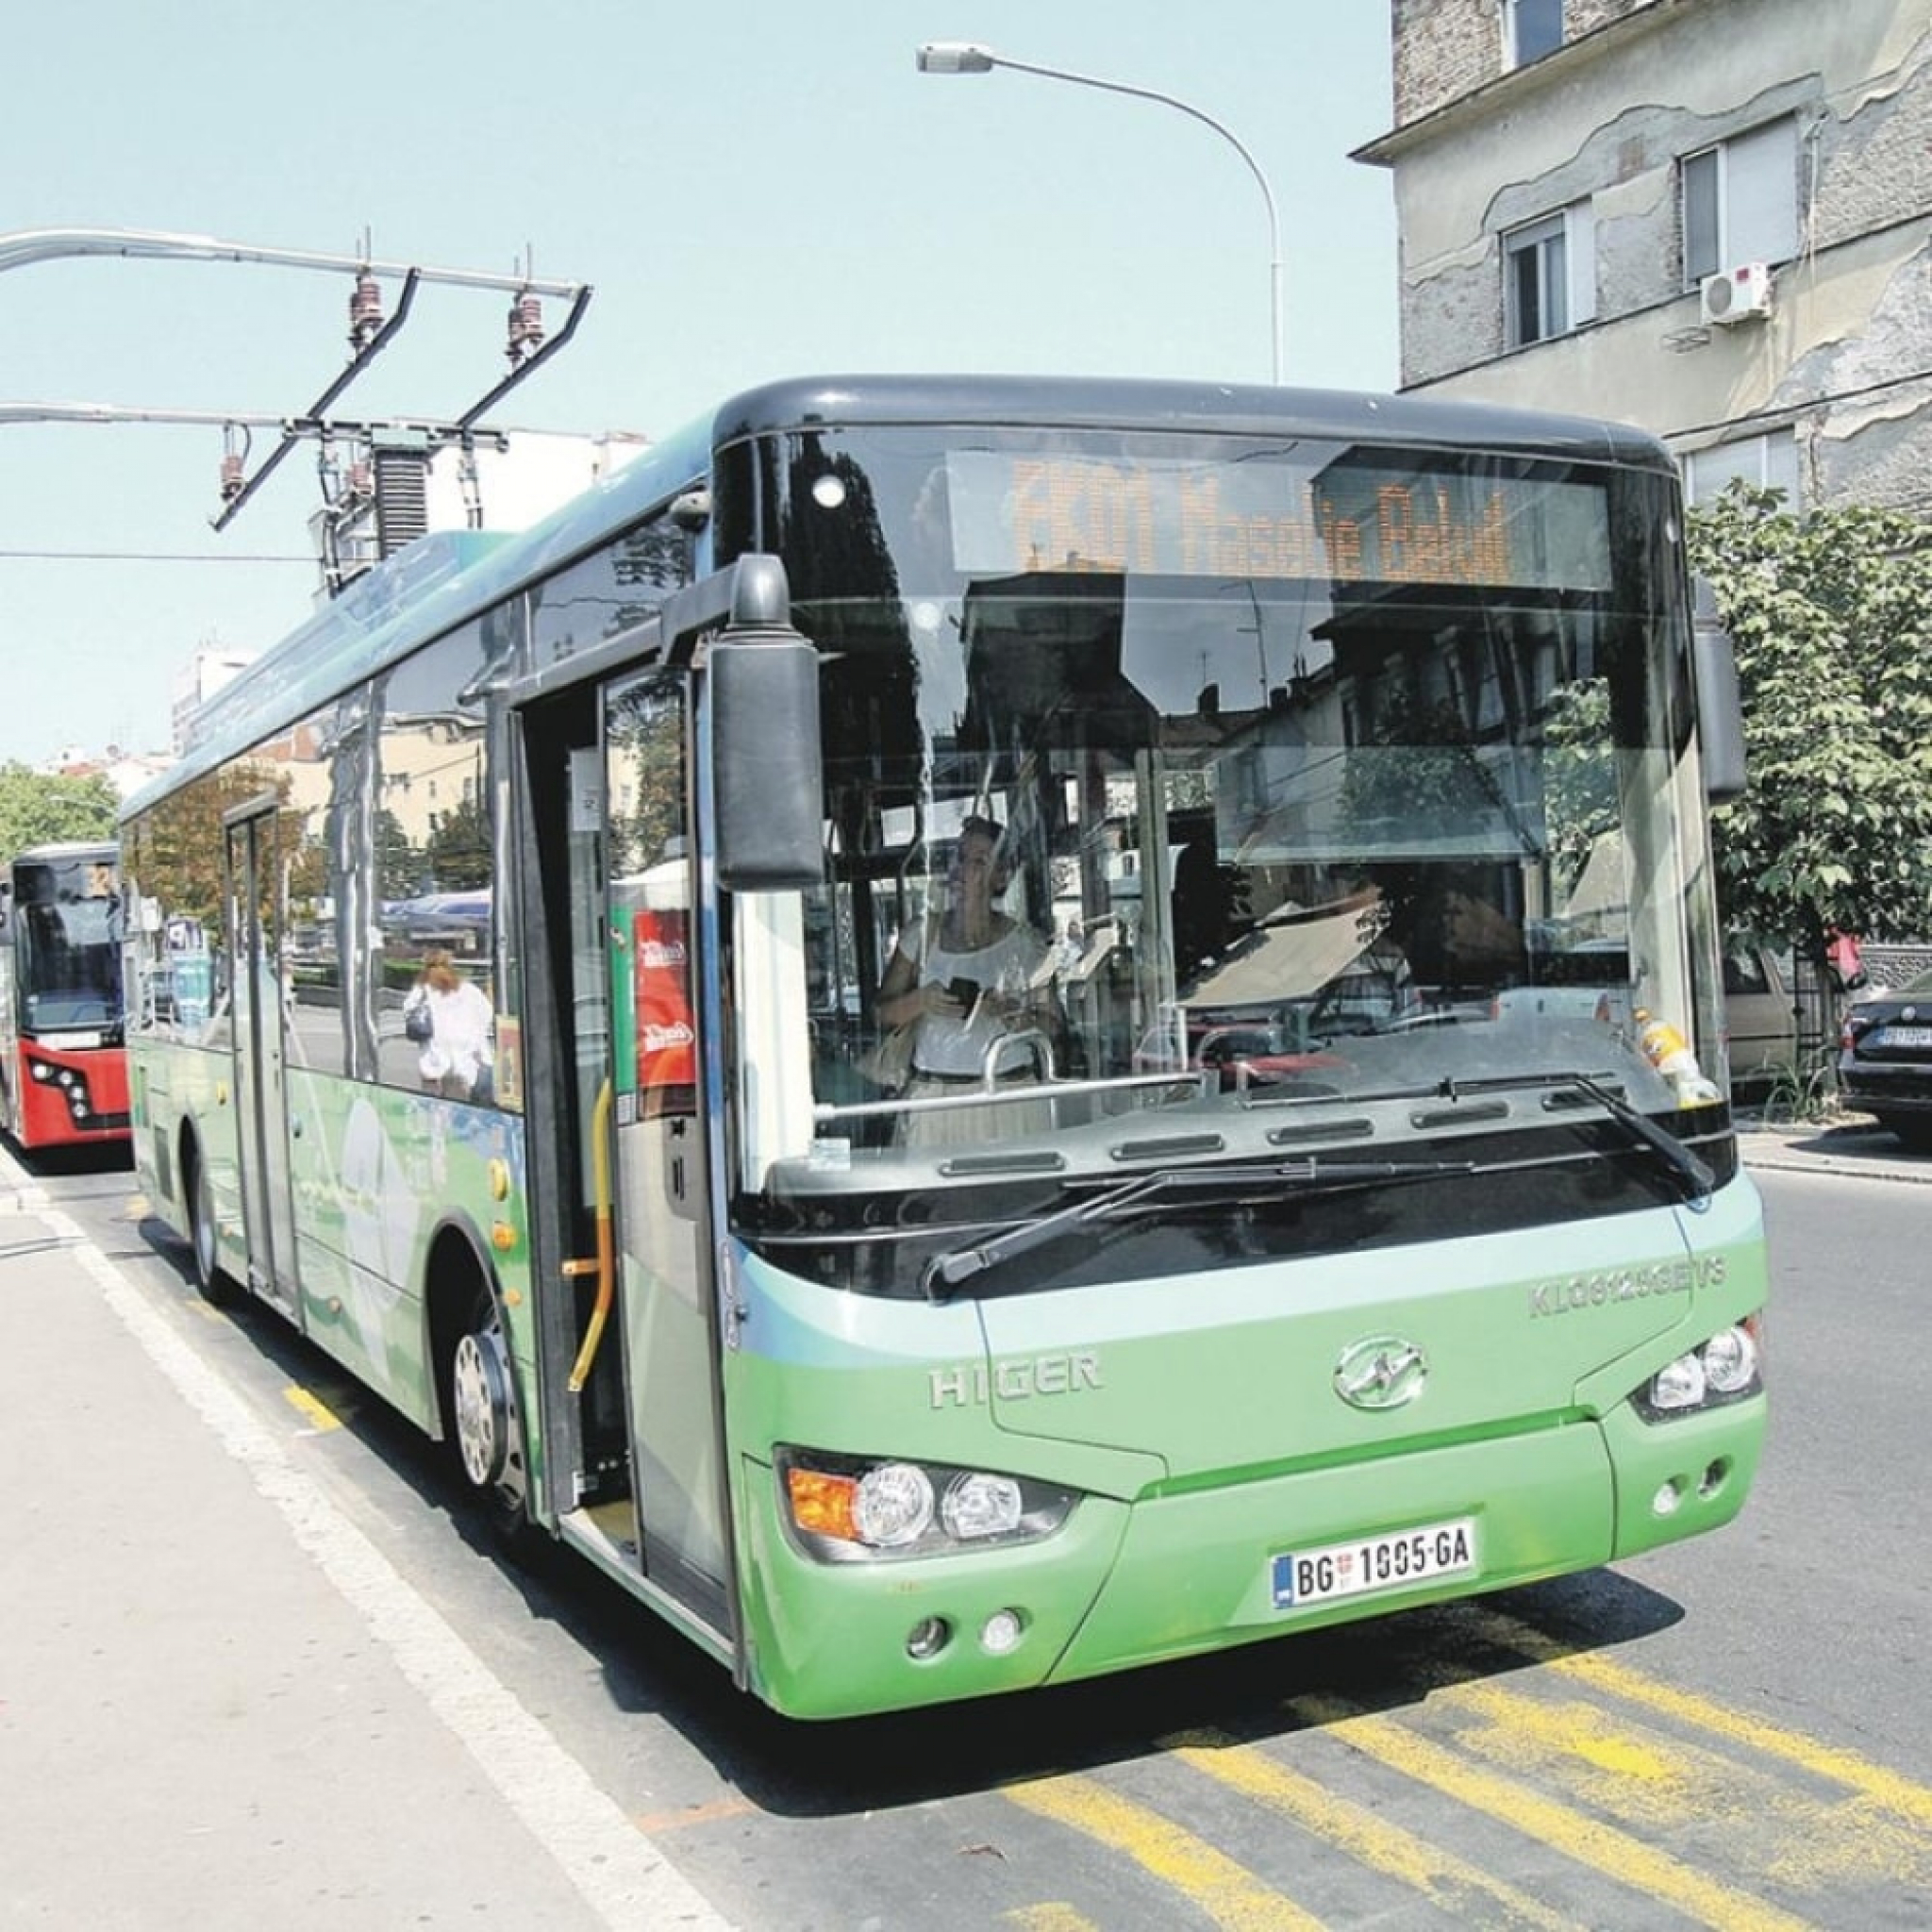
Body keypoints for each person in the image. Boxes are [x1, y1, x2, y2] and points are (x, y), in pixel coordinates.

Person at [874, 816, 1051, 1144]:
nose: (960, 869)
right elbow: (880, 1015)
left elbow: (1055, 1027)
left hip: (1009, 1096)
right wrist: (921, 1000)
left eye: (978, 862)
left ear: (1001, 877)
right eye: (958, 856)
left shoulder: (1026, 944)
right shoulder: (921, 936)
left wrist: (1017, 1016)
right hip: (935, 1098)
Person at [402, 948, 495, 1100]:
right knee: (461, 1109)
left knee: (434, 1109)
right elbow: (486, 1013)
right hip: (467, 1057)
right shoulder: (468, 989)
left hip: (434, 1057)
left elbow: (409, 1015)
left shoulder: (422, 991)